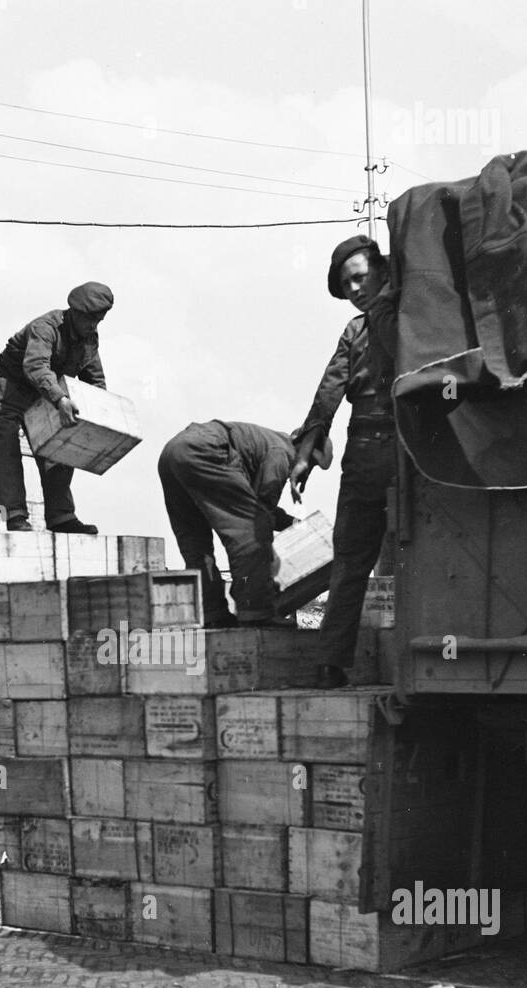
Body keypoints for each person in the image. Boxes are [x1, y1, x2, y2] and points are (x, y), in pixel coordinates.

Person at [289, 233, 399, 688]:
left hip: (382, 446)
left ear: (381, 268)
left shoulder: (375, 325)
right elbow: (328, 393)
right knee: (358, 558)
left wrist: (306, 452)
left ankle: (332, 663)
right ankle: (332, 663)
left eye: (359, 277)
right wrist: (305, 456)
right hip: (395, 443)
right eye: (346, 284)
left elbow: (329, 394)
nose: (354, 289)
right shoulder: (405, 318)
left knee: (354, 559)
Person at [158, 420, 331, 627]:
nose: (307, 472)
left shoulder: (270, 444)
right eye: (311, 463)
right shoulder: (282, 453)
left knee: (196, 544)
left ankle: (213, 614)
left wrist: (291, 523)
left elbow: (252, 504)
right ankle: (255, 612)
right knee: (251, 533)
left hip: (172, 453)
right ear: (304, 449)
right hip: (205, 449)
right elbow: (260, 513)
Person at [0, 282, 114, 534]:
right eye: (90, 319)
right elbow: (36, 367)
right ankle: (15, 516)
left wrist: (99, 413)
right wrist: (60, 399)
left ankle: (61, 517)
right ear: (75, 312)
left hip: (41, 396)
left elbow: (95, 380)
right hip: (4, 390)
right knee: (6, 454)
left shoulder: (89, 338)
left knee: (60, 448)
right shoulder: (46, 328)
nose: (93, 326)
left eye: (99, 320)